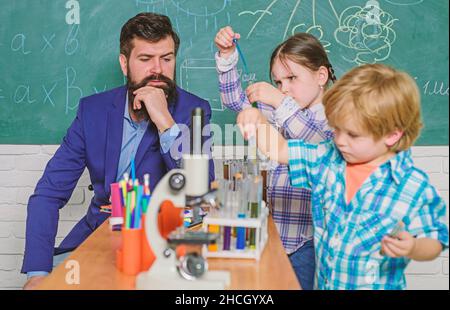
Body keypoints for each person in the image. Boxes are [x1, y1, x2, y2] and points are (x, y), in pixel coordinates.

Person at [22, 12, 214, 289]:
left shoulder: (194, 111)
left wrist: (165, 123)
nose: (157, 69)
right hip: (97, 238)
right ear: (125, 64)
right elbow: (48, 194)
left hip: (162, 246)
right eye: (146, 59)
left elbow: (200, 192)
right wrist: (37, 273)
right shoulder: (93, 111)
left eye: (167, 58)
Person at [236, 63, 449, 289]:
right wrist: (257, 120)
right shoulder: (327, 159)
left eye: (353, 134)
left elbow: (435, 239)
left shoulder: (411, 186)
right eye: (336, 129)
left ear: (392, 135)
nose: (339, 140)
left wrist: (414, 247)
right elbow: (279, 150)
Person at [214, 26, 336, 289]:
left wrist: (280, 101)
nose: (285, 88)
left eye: (292, 78)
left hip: (308, 243)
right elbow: (236, 102)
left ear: (321, 75)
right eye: (279, 82)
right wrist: (227, 57)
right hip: (273, 235)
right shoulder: (280, 108)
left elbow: (313, 140)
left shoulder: (336, 116)